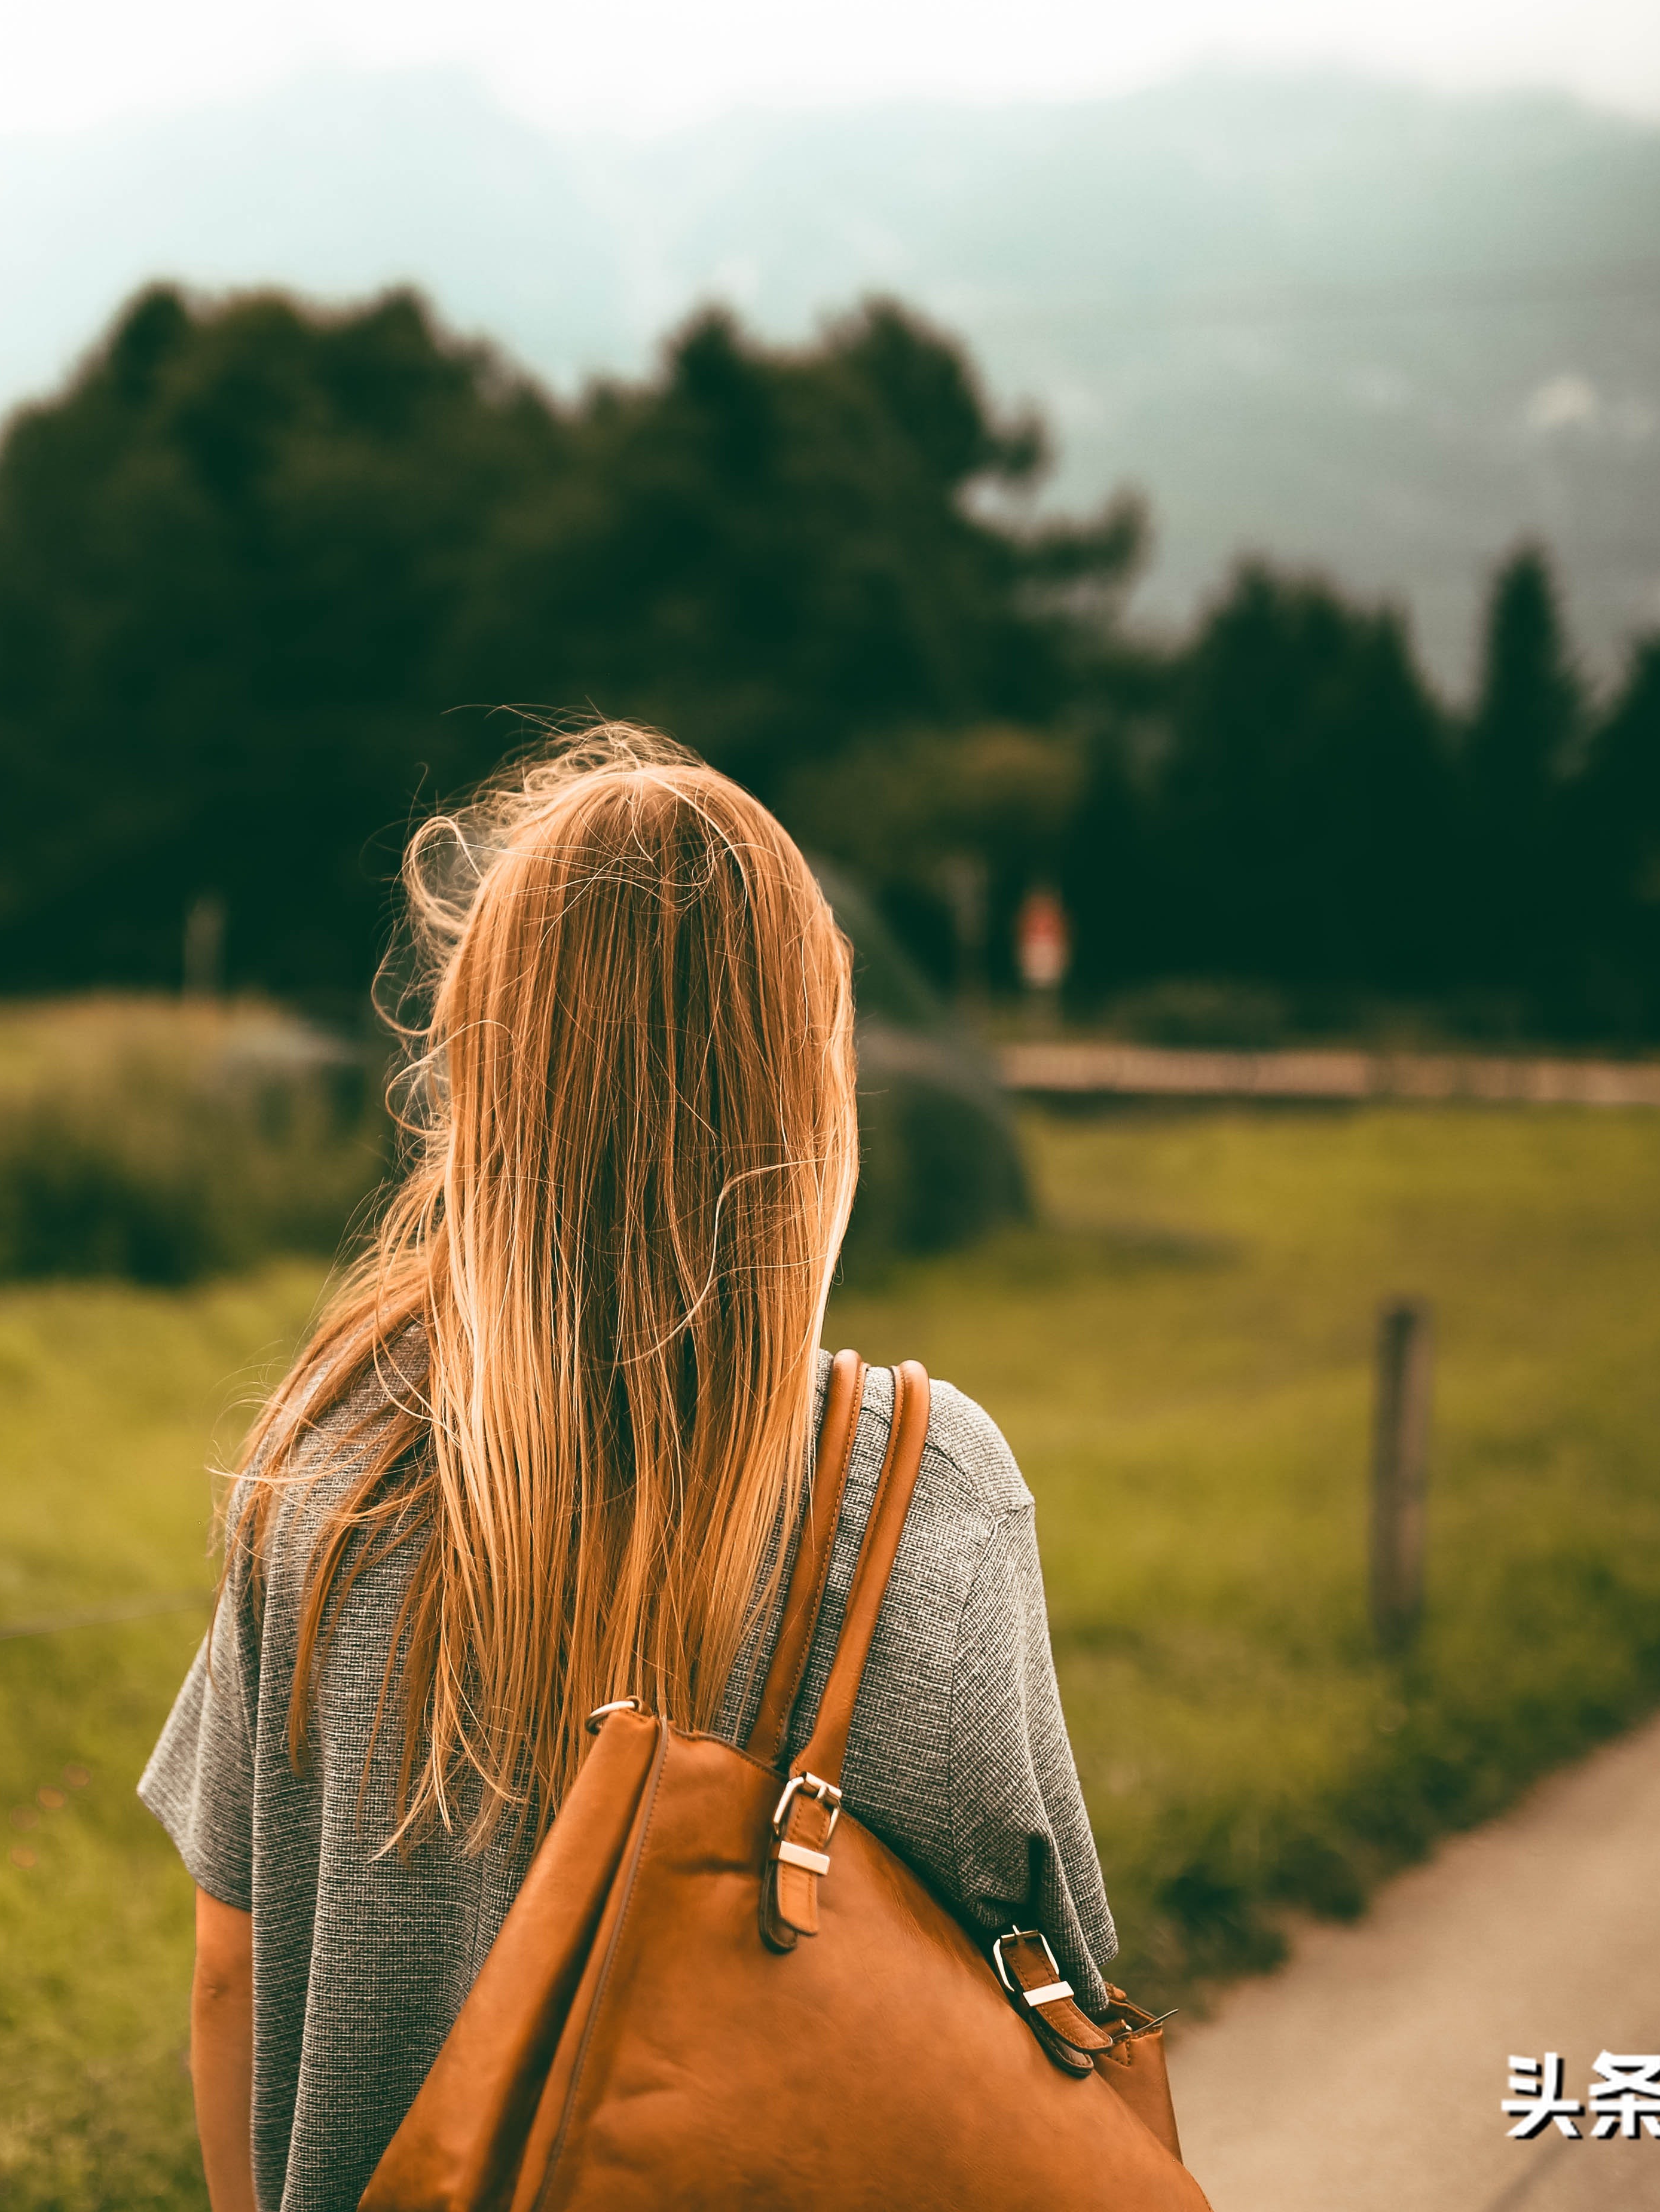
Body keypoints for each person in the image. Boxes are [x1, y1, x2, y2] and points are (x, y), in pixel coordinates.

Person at [139, 725, 1118, 2212]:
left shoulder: (329, 1480)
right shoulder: (925, 1486)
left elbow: (232, 1970)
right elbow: (1058, 1989)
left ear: (484, 1071)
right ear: (807, 1087)